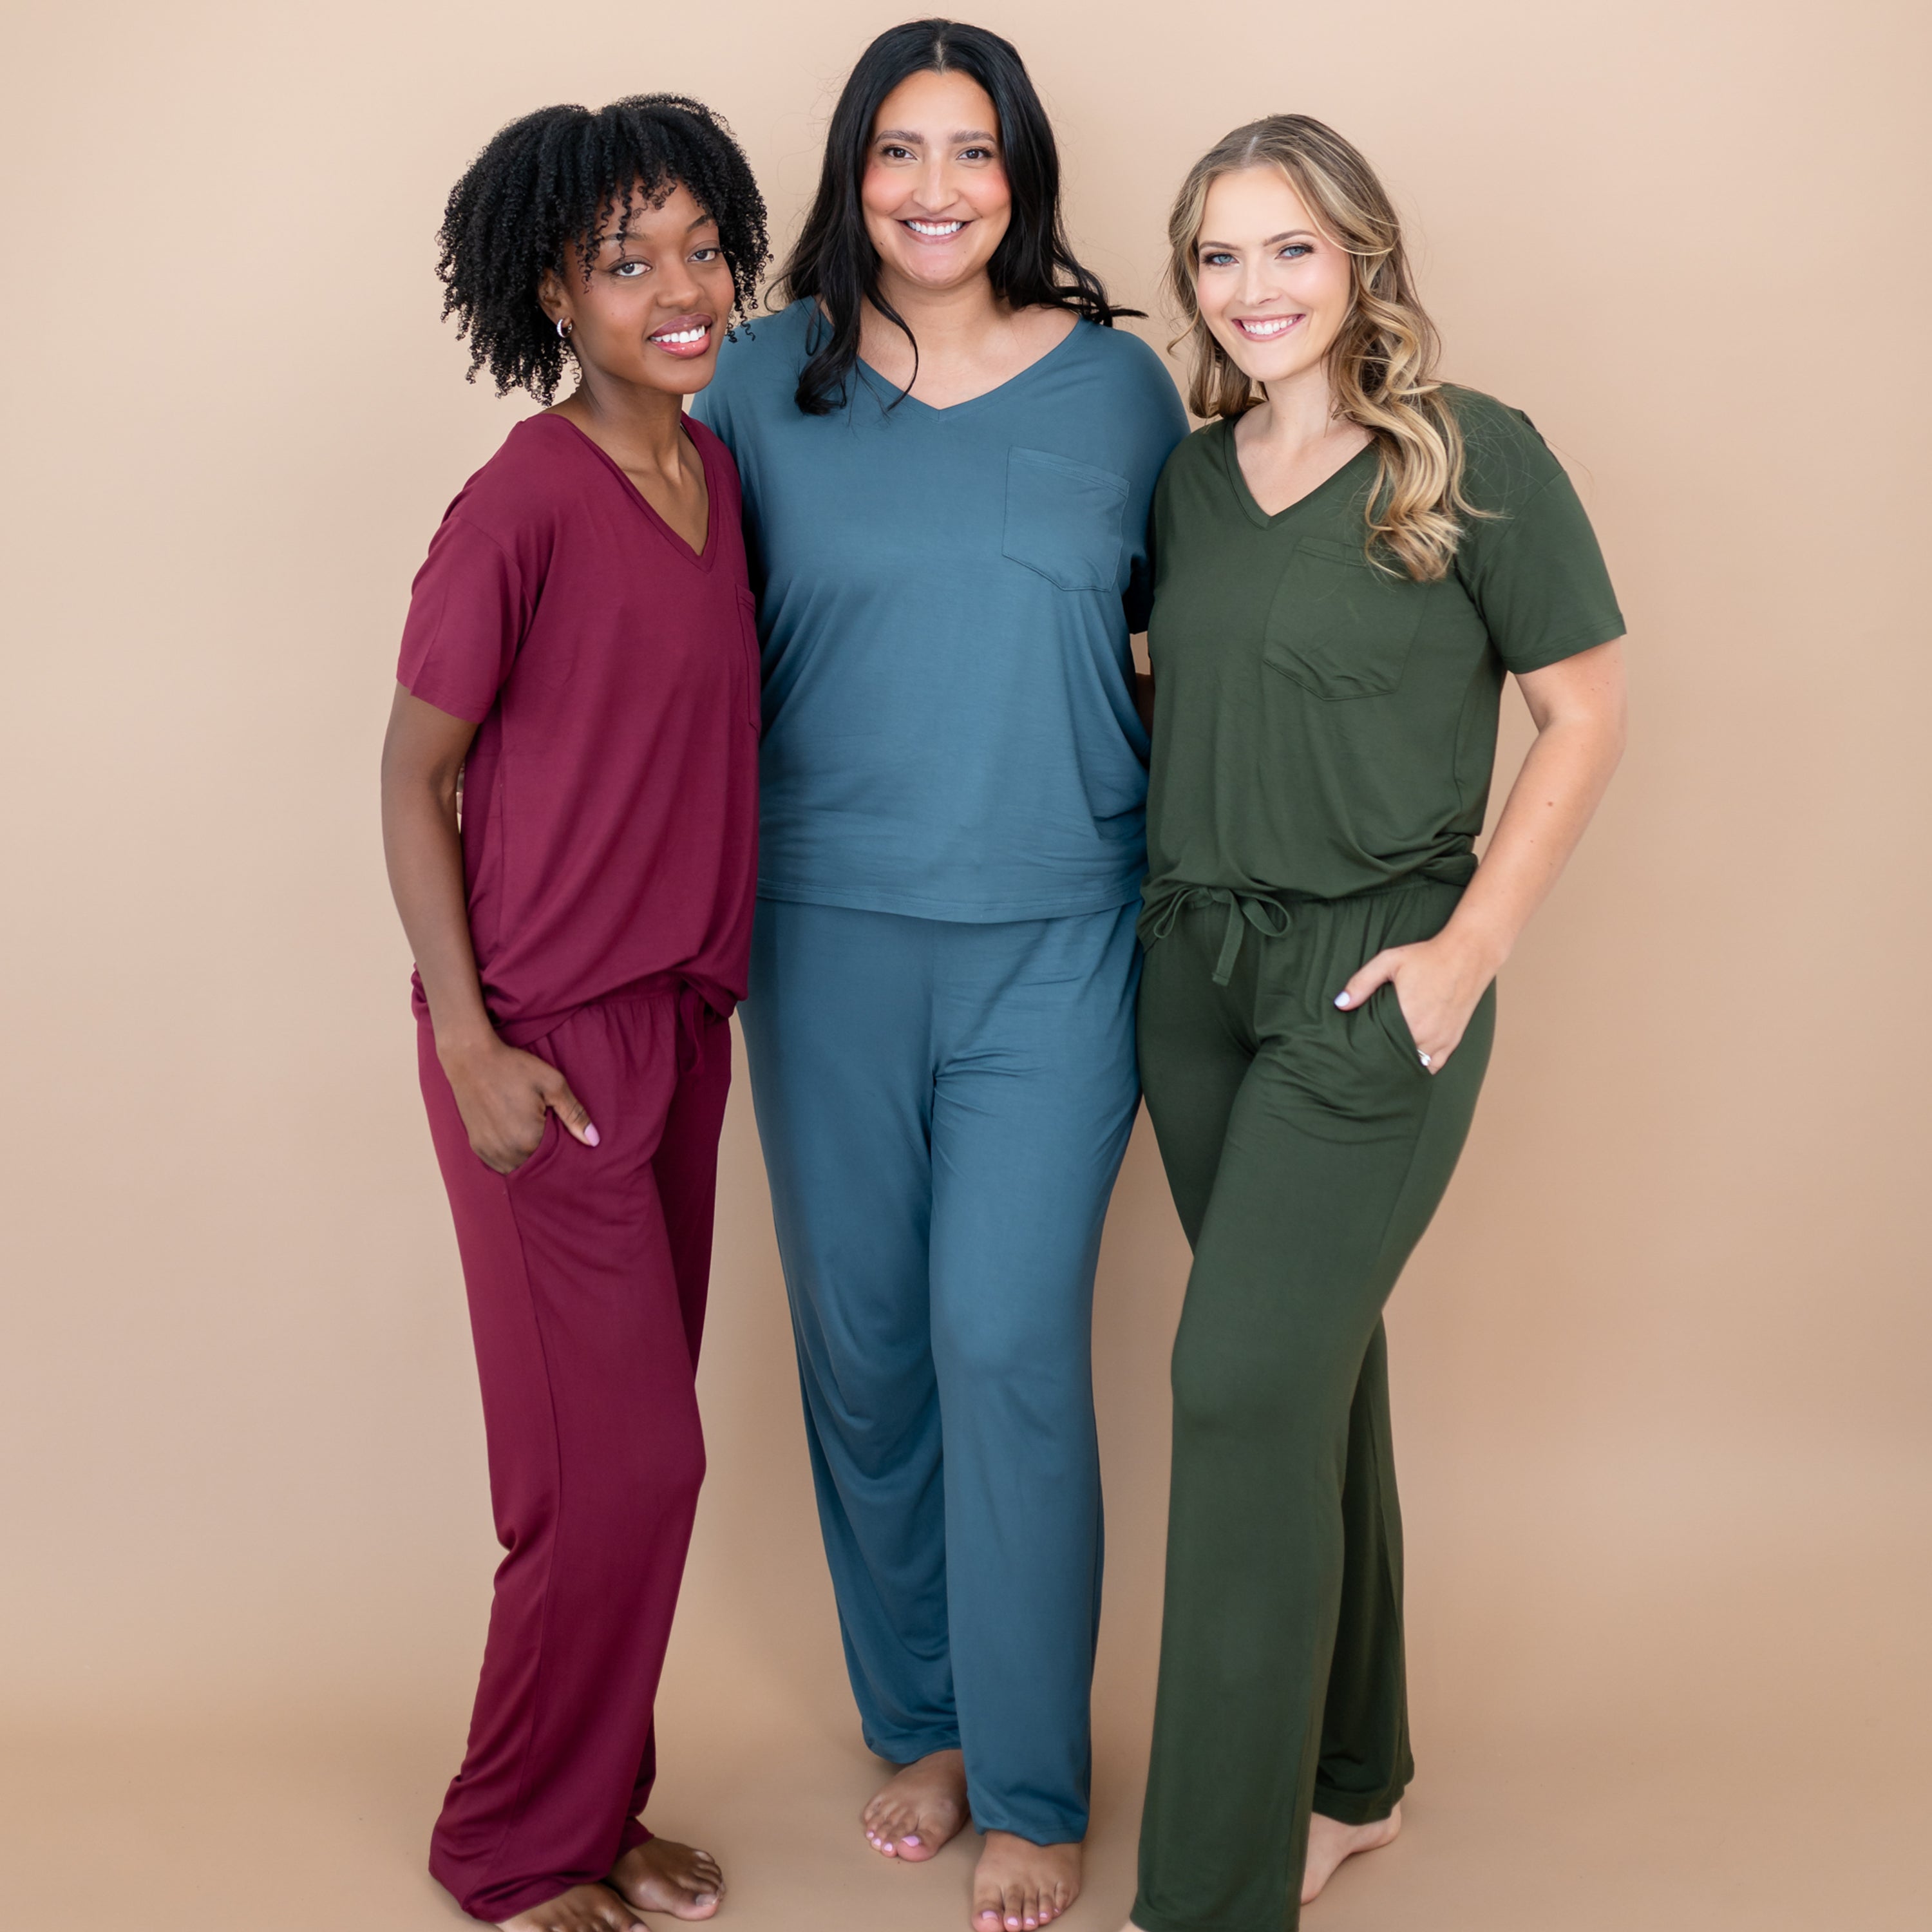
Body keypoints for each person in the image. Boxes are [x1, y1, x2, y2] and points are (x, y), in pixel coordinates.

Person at [691, 21, 1186, 1932]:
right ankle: (927, 1719)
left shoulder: (1125, 394)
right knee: (872, 1356)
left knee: (1006, 1343)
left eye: (969, 152)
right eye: (897, 151)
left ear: (1019, 174)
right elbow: (672, 654)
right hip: (817, 947)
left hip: (1060, 942)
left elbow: (1204, 636)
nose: (931, 188)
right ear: (850, 172)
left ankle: (1037, 1783)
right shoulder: (752, 386)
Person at [1124, 116, 1627, 1932]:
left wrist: (1465, 954)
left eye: (1290, 252)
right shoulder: (1183, 484)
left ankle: (1208, 1898)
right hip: (1189, 982)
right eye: (1218, 258)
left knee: (1237, 1386)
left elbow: (1582, 713)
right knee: (1312, 1385)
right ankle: (1354, 1779)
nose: (1253, 292)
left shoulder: (1470, 456)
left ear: (1364, 264)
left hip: (1373, 982)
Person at [379, 95, 768, 1932]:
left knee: (640, 1468)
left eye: (700, 250)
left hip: (678, 1038)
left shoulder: (717, 478)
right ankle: (510, 1849)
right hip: (539, 1049)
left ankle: (599, 1807)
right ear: (557, 289)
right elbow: (409, 777)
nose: (680, 290)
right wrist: (469, 1042)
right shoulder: (522, 499)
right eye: (630, 264)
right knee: (602, 1473)